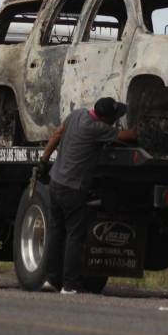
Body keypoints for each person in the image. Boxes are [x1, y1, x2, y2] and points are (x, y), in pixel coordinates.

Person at [38, 97, 136, 294]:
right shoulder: (98, 129)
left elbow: (58, 133)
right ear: (106, 118)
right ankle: (69, 285)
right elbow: (128, 135)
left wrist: (44, 158)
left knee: (56, 232)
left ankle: (51, 280)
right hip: (73, 189)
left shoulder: (77, 114)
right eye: (115, 117)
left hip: (55, 182)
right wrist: (142, 129)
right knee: (75, 236)